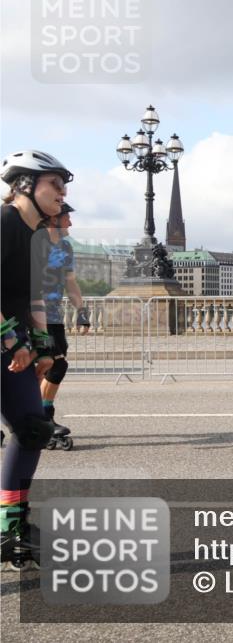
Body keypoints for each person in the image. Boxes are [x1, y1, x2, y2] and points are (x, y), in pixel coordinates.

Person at [1, 149, 72, 570]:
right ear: (25, 185)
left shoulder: (39, 238)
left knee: (33, 428)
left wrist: (44, 348)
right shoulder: (4, 222)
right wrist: (12, 340)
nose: (62, 194)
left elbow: (35, 299)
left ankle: (11, 525)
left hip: (13, 349)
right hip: (6, 344)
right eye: (55, 185)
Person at [38, 203, 90, 450]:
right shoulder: (34, 244)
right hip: (34, 315)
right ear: (53, 219)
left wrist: (82, 312)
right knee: (55, 365)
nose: (70, 222)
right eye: (67, 217)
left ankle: (34, 417)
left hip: (55, 316)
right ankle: (42, 420)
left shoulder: (65, 247)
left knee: (45, 368)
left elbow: (70, 282)